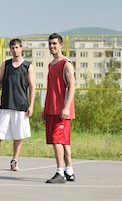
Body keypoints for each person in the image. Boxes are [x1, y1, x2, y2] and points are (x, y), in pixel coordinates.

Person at [0, 38, 36, 172]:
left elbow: (33, 87)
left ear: (21, 48)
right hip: (5, 104)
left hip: (21, 105)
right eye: (12, 47)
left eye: (17, 47)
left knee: (18, 135)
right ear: (10, 49)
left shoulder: (28, 66)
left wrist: (31, 105)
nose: (15, 50)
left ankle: (14, 161)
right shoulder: (6, 64)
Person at [43, 33, 76, 184]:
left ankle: (60, 173)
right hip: (52, 108)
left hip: (62, 110)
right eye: (50, 44)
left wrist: (66, 107)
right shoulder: (51, 65)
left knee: (57, 140)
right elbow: (51, 89)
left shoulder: (66, 63)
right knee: (64, 142)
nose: (52, 46)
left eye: (55, 44)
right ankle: (69, 171)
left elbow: (72, 86)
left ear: (61, 45)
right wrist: (45, 109)